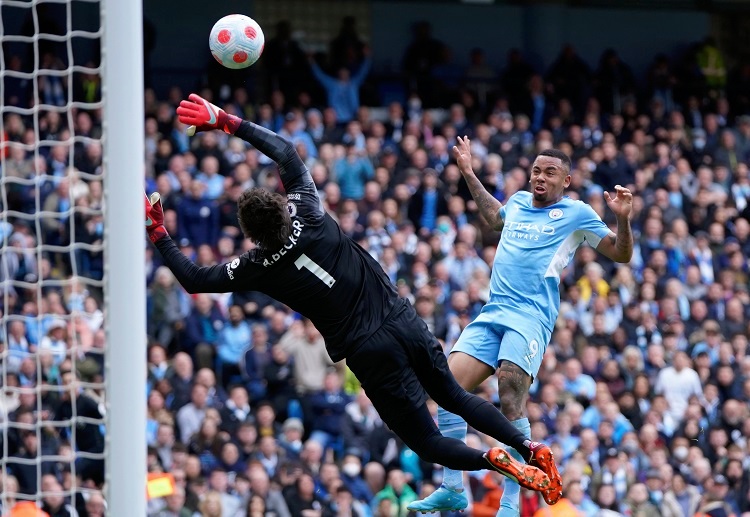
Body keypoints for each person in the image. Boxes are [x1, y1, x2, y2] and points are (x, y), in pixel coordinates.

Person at [146, 93, 562, 505]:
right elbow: (285, 152)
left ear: (251, 234)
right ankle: (529, 448)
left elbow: (194, 278)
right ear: (280, 205)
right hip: (402, 318)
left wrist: (160, 235)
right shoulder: (307, 212)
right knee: (455, 396)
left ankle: (491, 458)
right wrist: (225, 121)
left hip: (367, 350)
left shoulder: (257, 265)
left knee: (428, 441)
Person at [409, 138, 633, 514]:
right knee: (445, 385)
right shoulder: (516, 203)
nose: (540, 178)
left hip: (531, 315)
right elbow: (494, 215)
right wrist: (467, 172)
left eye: (550, 172)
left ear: (566, 180)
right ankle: (452, 487)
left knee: (510, 388)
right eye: (536, 171)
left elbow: (621, 253)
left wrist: (623, 219)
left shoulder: (576, 213)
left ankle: (511, 501)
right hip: (494, 310)